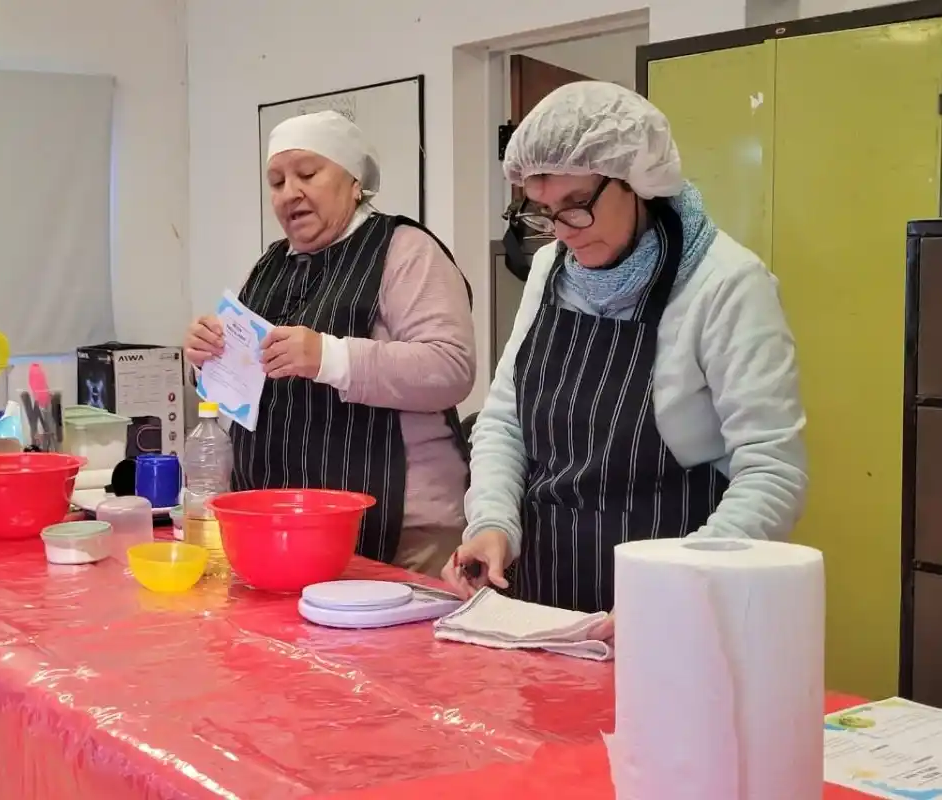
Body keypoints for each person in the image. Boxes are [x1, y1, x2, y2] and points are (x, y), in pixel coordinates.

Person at [442, 82, 807, 630]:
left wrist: (672, 586)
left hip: (677, 608)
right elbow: (504, 420)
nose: (562, 234)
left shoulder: (726, 285)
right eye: (544, 212)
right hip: (542, 595)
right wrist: (492, 523)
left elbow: (773, 472)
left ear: (639, 181)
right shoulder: (550, 272)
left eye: (577, 206)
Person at [185, 110, 475, 577]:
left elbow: (450, 367)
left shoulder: (405, 250)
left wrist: (329, 357)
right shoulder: (269, 265)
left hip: (399, 531)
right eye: (276, 181)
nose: (289, 193)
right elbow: (237, 390)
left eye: (307, 173)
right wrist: (207, 361)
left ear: (355, 180)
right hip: (285, 529)